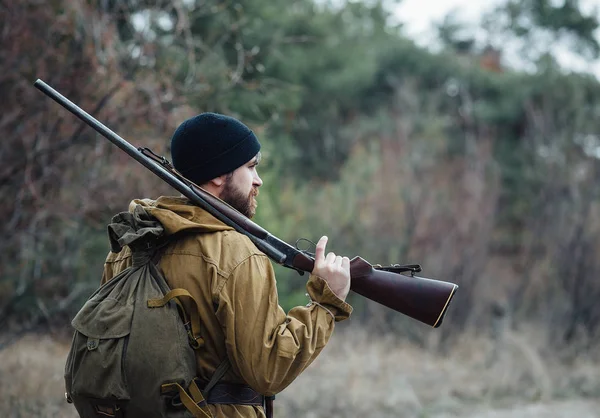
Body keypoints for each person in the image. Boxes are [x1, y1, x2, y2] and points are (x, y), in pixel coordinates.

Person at [101, 113, 353, 418]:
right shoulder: (236, 253)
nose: (258, 180)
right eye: (250, 167)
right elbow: (269, 369)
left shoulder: (130, 244)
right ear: (219, 175)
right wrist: (326, 304)